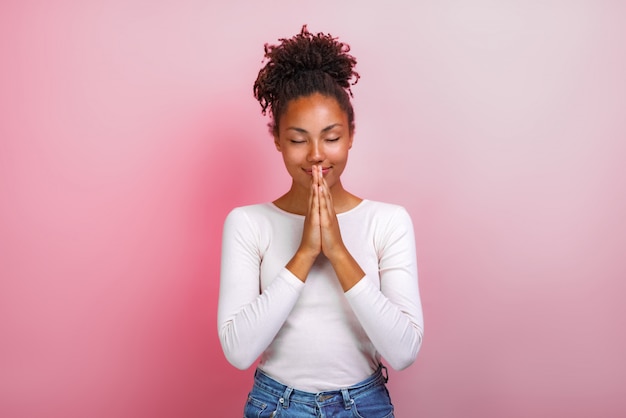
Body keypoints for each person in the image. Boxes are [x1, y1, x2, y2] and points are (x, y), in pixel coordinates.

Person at [217, 25, 424, 417]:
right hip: (277, 405)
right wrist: (306, 252)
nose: (316, 154)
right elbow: (239, 351)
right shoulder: (248, 224)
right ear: (276, 138)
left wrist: (338, 252)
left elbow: (404, 351)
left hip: (365, 404)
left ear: (350, 135)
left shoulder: (388, 222)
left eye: (330, 137)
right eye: (297, 140)